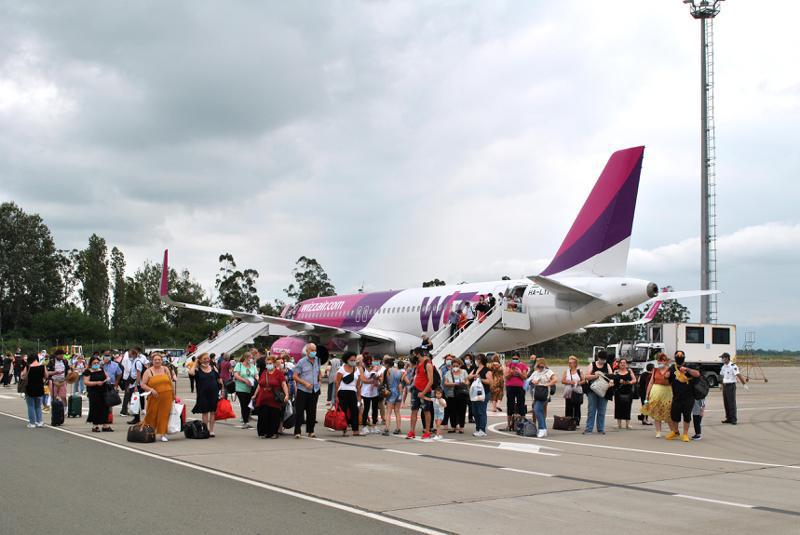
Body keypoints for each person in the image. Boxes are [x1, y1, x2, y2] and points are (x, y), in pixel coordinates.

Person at [665, 350, 700, 442]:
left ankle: (685, 434)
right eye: (677, 356)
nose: (679, 358)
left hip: (688, 396)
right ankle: (675, 432)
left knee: (687, 416)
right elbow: (667, 379)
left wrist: (687, 369)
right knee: (674, 416)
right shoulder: (672, 367)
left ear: (684, 357)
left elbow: (697, 374)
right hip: (676, 396)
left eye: (681, 356)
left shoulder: (690, 366)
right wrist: (666, 375)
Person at [141, 353, 176, 442]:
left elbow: (170, 382)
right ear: (152, 361)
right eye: (155, 360)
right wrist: (151, 390)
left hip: (167, 396)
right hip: (154, 397)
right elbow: (143, 385)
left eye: (159, 360)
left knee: (164, 415)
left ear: (162, 361)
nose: (157, 361)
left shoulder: (165, 369)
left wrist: (173, 394)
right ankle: (149, 431)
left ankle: (162, 433)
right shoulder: (148, 371)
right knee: (151, 415)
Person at [254, 356, 289, 439]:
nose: (268, 365)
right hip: (262, 398)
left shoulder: (278, 373)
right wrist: (255, 395)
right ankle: (263, 433)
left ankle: (273, 433)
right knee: (263, 416)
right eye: (267, 364)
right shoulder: (264, 373)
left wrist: (287, 395)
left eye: (270, 363)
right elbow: (259, 385)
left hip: (274, 399)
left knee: (274, 416)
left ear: (274, 364)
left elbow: (284, 385)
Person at [189, 352, 223, 437]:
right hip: (203, 394)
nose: (207, 360)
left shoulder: (213, 367)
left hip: (214, 393)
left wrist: (222, 391)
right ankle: (205, 429)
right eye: (204, 359)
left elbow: (219, 380)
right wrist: (195, 363)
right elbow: (191, 373)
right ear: (200, 360)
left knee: (213, 412)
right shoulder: (197, 369)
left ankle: (211, 430)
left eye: (207, 358)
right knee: (205, 412)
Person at [294, 343, 322, 439]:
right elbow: (295, 376)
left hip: (315, 390)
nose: (314, 352)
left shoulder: (318, 360)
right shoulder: (301, 362)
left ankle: (311, 431)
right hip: (303, 390)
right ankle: (297, 431)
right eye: (312, 350)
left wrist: (319, 380)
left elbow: (319, 372)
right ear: (307, 351)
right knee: (300, 411)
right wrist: (305, 383)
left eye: (315, 350)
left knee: (312, 411)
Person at [643, 353, 673, 438]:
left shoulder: (670, 370)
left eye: (662, 360)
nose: (660, 362)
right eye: (659, 360)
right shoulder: (655, 370)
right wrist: (647, 394)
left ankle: (673, 431)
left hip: (667, 393)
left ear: (665, 361)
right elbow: (651, 382)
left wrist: (669, 377)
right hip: (655, 392)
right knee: (657, 413)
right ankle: (658, 431)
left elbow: (673, 382)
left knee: (668, 413)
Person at [584, 350, 613, 435]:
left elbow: (611, 376)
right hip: (593, 390)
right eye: (601, 359)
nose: (603, 361)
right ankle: (589, 429)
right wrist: (595, 376)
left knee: (602, 410)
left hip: (603, 390)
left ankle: (601, 429)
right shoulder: (592, 365)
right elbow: (586, 376)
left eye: (604, 359)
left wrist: (611, 381)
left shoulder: (607, 365)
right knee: (591, 410)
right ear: (598, 358)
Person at [407, 350, 434, 440]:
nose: (413, 356)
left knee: (426, 411)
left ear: (418, 354)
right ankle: (412, 431)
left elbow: (431, 381)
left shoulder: (428, 364)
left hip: (425, 391)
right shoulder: (418, 364)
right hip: (416, 390)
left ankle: (427, 431)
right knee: (414, 410)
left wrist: (423, 393)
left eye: (414, 354)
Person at [334, 351, 363, 436]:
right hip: (342, 392)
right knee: (343, 411)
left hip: (352, 392)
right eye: (351, 360)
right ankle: (344, 429)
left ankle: (355, 430)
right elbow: (337, 383)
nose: (353, 361)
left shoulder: (357, 370)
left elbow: (358, 385)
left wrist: (359, 396)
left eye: (354, 360)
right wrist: (336, 396)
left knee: (354, 410)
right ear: (346, 360)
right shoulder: (342, 369)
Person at [83, 356, 112, 432]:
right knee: (95, 408)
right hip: (93, 392)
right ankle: (95, 425)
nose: (96, 364)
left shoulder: (101, 370)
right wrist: (96, 383)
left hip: (103, 391)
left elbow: (107, 376)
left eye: (97, 363)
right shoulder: (88, 371)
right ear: (91, 364)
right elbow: (86, 382)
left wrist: (107, 379)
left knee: (105, 408)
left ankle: (105, 425)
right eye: (94, 363)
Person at [529, 358, 556, 437]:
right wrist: (533, 382)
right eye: (539, 366)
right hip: (536, 394)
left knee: (537, 409)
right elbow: (529, 380)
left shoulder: (548, 372)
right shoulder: (535, 372)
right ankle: (544, 429)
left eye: (542, 366)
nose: (541, 368)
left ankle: (541, 429)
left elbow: (555, 379)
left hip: (544, 394)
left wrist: (548, 384)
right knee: (539, 411)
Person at [468, 354, 493, 437]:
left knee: (481, 411)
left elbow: (490, 382)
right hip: (475, 394)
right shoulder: (475, 369)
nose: (475, 361)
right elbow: (468, 376)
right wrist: (474, 375)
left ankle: (482, 429)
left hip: (484, 393)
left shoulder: (487, 370)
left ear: (480, 360)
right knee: (475, 412)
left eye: (476, 359)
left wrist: (480, 379)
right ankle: (478, 428)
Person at [720, 352, 747, 425]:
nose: (722, 359)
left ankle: (733, 419)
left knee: (731, 403)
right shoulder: (723, 367)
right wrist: (721, 385)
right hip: (725, 386)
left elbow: (738, 375)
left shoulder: (733, 366)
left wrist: (744, 384)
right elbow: (722, 376)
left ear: (726, 358)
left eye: (722, 358)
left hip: (731, 386)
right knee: (726, 403)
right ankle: (728, 418)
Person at [360, 355, 384, 435]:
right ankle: (364, 427)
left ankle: (374, 425)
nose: (370, 362)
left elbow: (379, 378)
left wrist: (377, 379)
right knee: (366, 409)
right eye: (368, 361)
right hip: (366, 392)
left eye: (371, 361)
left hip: (374, 392)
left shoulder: (374, 368)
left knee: (375, 409)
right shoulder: (362, 368)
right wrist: (373, 381)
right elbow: (363, 380)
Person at [233, 353, 258, 429]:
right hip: (241, 388)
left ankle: (246, 419)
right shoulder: (239, 365)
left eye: (252, 358)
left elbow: (256, 374)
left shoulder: (253, 366)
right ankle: (245, 421)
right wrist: (244, 380)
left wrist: (257, 379)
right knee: (244, 404)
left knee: (249, 405)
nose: (251, 359)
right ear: (246, 358)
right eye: (250, 358)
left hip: (251, 388)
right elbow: (236, 375)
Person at [443, 358, 468, 433]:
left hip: (462, 394)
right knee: (452, 411)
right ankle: (453, 426)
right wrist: (454, 384)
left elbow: (467, 381)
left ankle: (461, 427)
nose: (455, 367)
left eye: (457, 365)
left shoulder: (464, 372)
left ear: (460, 365)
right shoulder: (448, 373)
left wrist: (463, 383)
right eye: (453, 366)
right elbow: (446, 383)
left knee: (462, 411)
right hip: (451, 394)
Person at [504, 353, 529, 430]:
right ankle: (509, 425)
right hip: (510, 387)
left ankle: (522, 424)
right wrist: (511, 373)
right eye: (513, 358)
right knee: (510, 405)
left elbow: (525, 377)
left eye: (516, 358)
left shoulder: (523, 366)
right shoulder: (509, 365)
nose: (514, 360)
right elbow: (506, 377)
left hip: (520, 388)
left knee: (521, 405)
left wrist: (519, 373)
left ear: (519, 358)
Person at [21, 354, 46, 428]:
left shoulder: (28, 367)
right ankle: (40, 422)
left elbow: (23, 375)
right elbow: (46, 376)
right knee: (38, 406)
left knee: (31, 406)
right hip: (40, 388)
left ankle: (32, 423)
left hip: (30, 388)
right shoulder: (42, 366)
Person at [613, 358, 636, 429]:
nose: (623, 364)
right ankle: (619, 424)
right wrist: (618, 381)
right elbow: (613, 380)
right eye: (621, 363)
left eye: (624, 363)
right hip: (618, 392)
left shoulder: (629, 371)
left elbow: (634, 380)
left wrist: (629, 382)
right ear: (619, 364)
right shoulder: (616, 372)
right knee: (618, 407)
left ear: (626, 364)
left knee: (628, 407)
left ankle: (627, 424)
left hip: (628, 392)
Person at [562, 356, 585, 426]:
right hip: (568, 392)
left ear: (575, 363)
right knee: (568, 408)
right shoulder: (566, 371)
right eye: (569, 363)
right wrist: (569, 382)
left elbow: (584, 380)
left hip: (577, 392)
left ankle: (576, 423)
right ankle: (568, 422)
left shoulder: (579, 371)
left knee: (577, 408)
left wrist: (578, 383)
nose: (569, 364)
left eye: (571, 363)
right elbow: (563, 381)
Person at [383, 358, 403, 435]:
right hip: (398, 391)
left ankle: (387, 429)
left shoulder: (388, 371)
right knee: (397, 411)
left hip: (391, 391)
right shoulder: (399, 371)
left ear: (387, 364)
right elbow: (401, 382)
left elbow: (384, 381)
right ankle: (398, 428)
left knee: (388, 411)